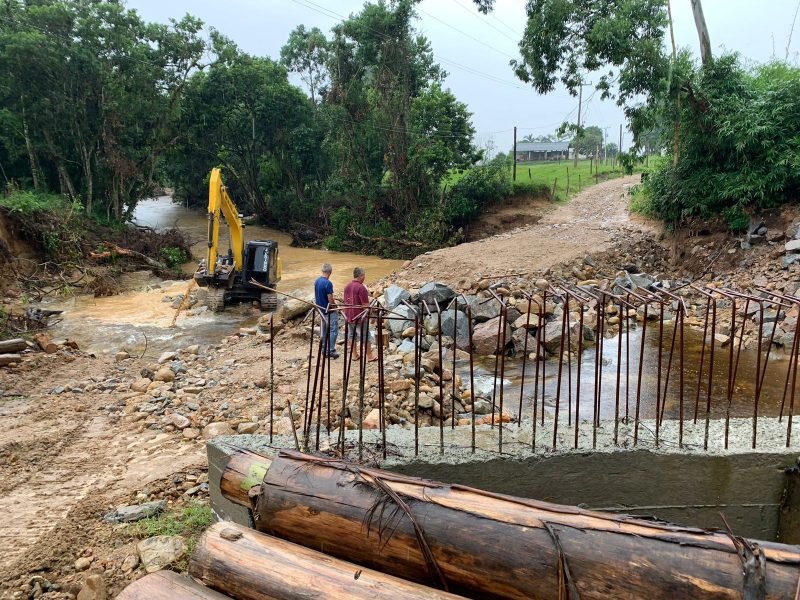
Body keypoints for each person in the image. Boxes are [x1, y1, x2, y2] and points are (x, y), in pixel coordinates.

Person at [343, 266, 376, 362]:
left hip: (349, 315)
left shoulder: (347, 286)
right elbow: (366, 305)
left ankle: (354, 355)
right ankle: (369, 356)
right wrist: (372, 316)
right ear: (361, 276)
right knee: (365, 335)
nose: (365, 277)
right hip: (359, 317)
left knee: (351, 335)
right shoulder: (361, 288)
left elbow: (345, 300)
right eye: (364, 275)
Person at [314, 263, 339, 359]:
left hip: (321, 310)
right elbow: (330, 299)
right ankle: (331, 350)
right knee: (333, 330)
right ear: (330, 272)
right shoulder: (328, 283)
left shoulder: (317, 281)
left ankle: (324, 349)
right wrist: (335, 308)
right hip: (328, 311)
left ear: (322, 271)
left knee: (324, 330)